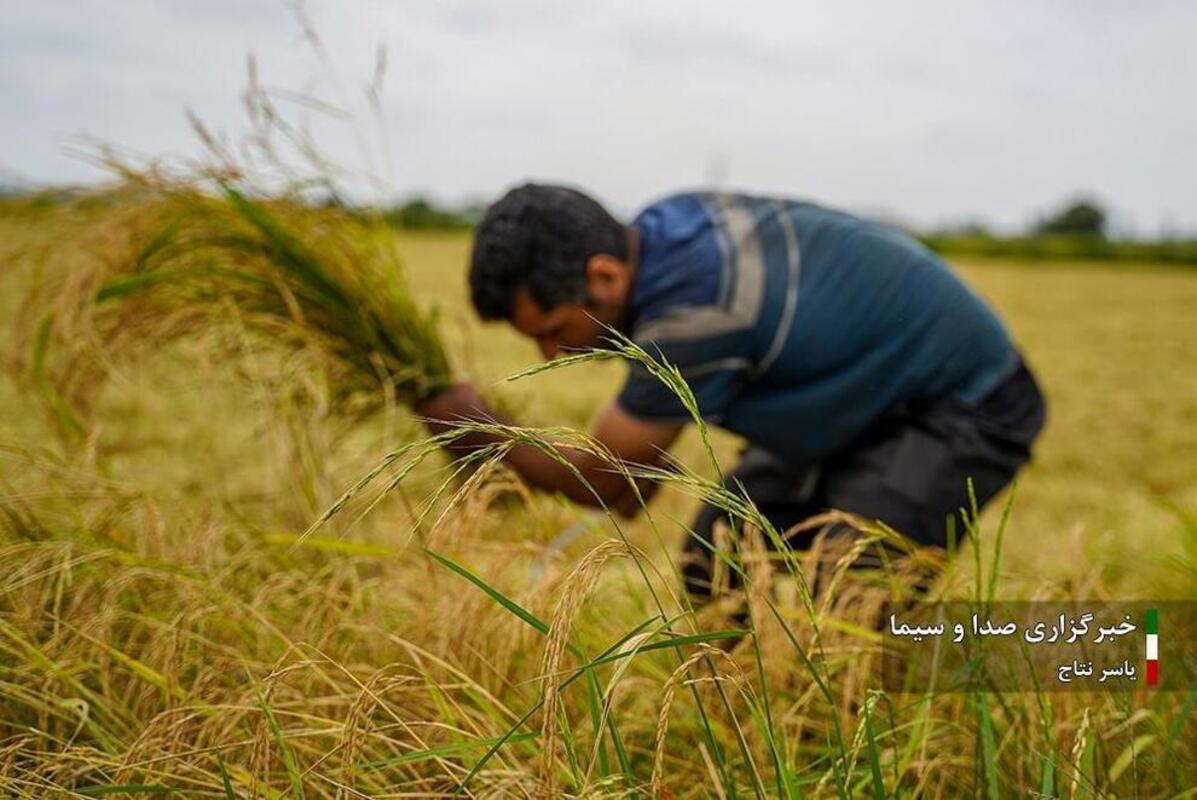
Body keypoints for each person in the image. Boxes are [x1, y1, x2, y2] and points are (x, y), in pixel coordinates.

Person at [415, 183, 1047, 606]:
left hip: (963, 404)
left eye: (555, 333)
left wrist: (471, 426)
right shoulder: (663, 229)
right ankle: (749, 712)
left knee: (851, 597)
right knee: (716, 561)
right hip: (851, 398)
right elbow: (641, 468)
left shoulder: (694, 315)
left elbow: (615, 486)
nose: (550, 357)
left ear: (603, 275)